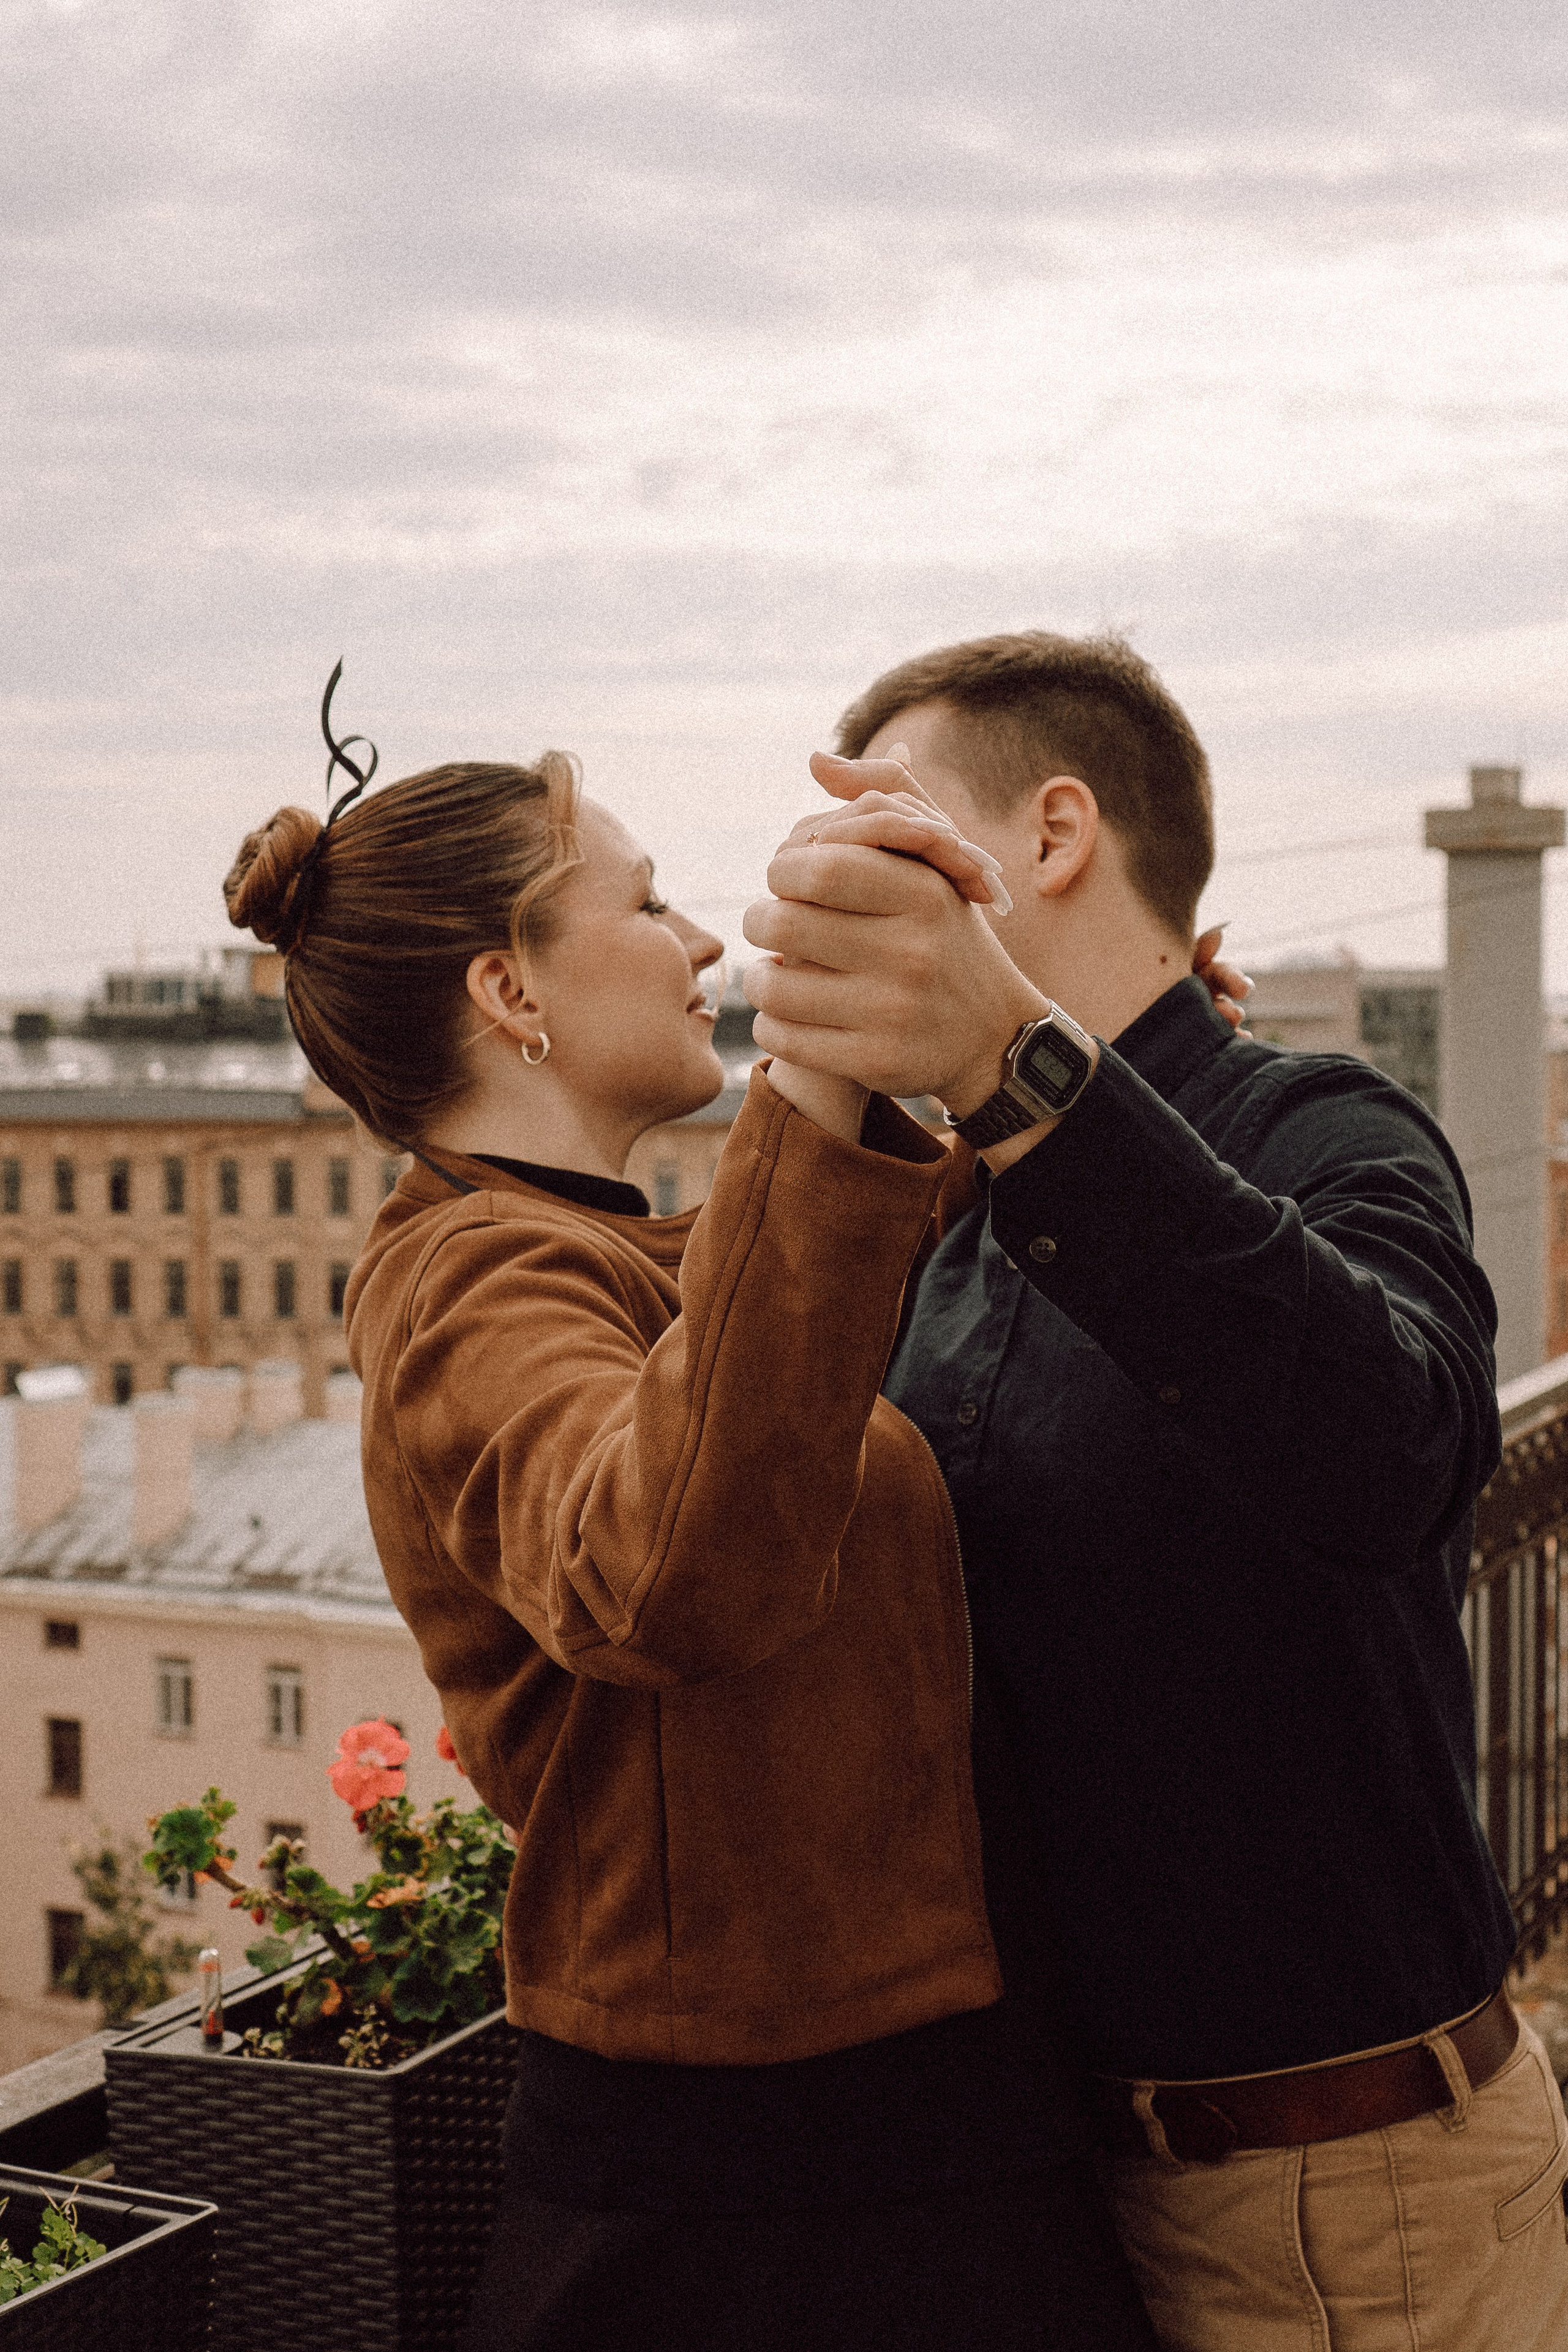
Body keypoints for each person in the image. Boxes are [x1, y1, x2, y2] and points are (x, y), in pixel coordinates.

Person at [222, 736, 1160, 2352]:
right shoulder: (472, 1287)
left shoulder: (626, 1258)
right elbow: (662, 1560)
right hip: (754, 2189)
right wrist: (816, 1075)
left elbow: (771, 1367)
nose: (708, 941)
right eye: (648, 901)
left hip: (889, 2121)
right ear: (510, 993)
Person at [742, 628, 1568, 2352]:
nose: (830, 888)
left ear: (1051, 839)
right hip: (1048, 2189)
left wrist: (1022, 1078)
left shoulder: (1326, 1130)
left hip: (1352, 2207)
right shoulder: (952, 1225)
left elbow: (1401, 1455)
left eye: (890, 833)